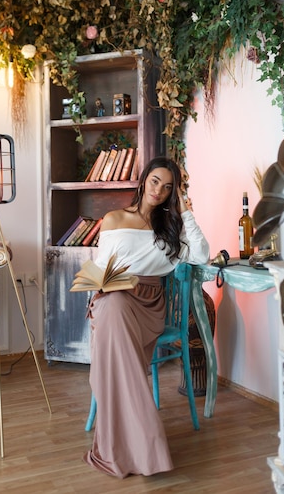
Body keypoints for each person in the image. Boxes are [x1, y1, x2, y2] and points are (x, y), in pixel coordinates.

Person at [83, 156, 210, 478]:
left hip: (150, 303)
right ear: (143, 181)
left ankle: (133, 443)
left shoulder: (172, 228)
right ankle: (144, 441)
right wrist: (97, 283)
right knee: (111, 308)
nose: (159, 191)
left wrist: (187, 211)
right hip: (114, 295)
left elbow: (202, 254)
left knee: (114, 333)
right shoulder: (113, 219)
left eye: (168, 188)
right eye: (155, 182)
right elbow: (102, 267)